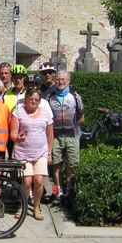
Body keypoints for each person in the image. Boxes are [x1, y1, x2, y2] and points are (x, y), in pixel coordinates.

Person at [10, 88, 54, 220]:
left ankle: (36, 207)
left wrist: (49, 153)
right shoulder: (18, 111)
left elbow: (50, 135)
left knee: (39, 180)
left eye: (36, 99)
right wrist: (18, 138)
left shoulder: (46, 114)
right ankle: (22, 206)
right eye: (31, 99)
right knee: (27, 181)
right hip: (23, 152)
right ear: (26, 99)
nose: (33, 101)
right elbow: (12, 133)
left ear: (40, 101)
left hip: (41, 152)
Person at [46, 71, 84, 200]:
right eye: (58, 79)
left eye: (63, 79)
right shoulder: (50, 97)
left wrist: (72, 126)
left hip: (72, 136)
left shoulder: (75, 96)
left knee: (71, 165)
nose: (60, 82)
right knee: (56, 166)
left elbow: (81, 117)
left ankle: (68, 191)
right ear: (55, 81)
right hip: (55, 136)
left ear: (68, 81)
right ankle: (57, 191)